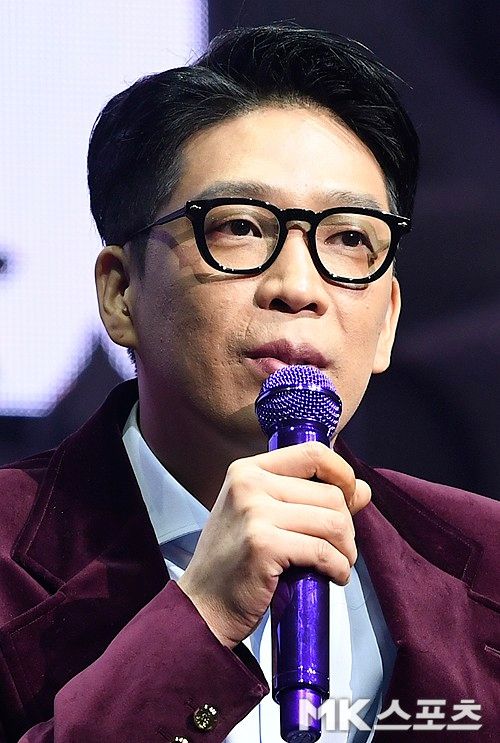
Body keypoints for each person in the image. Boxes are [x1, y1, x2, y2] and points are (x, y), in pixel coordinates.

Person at [0, 25, 498, 743]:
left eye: (349, 239)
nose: (299, 286)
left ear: (388, 318)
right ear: (120, 294)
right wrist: (199, 620)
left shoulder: (488, 561)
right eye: (239, 227)